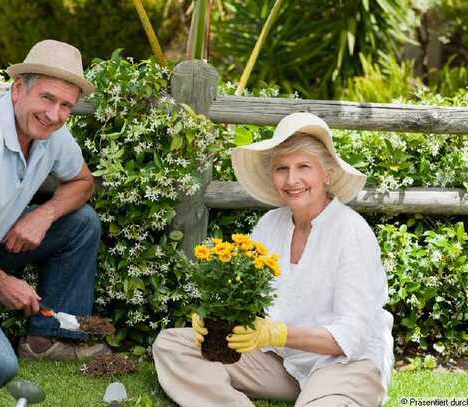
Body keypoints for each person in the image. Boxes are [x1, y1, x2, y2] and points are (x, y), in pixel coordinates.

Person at [153, 112, 394, 406]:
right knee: (173, 345)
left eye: (303, 166)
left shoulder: (351, 231)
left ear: (326, 174)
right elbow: (243, 299)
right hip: (279, 361)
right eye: (282, 168)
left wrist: (277, 334)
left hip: (343, 365)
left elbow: (350, 338)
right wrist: (211, 319)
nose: (292, 180)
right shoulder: (269, 224)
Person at [0, 39, 110, 387]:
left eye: (66, 105)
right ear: (19, 89)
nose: (54, 114)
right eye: (47, 98)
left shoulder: (51, 132)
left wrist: (45, 213)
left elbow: (83, 182)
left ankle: (49, 340)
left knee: (80, 223)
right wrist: (1, 282)